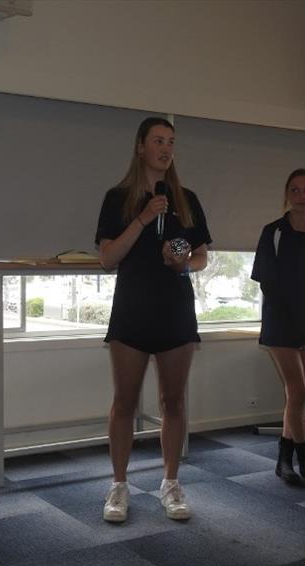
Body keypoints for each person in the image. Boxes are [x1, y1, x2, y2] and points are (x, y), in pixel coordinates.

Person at [95, 117, 211, 522]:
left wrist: (183, 263)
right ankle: (119, 485)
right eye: (158, 141)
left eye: (171, 142)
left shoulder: (187, 199)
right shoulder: (118, 198)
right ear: (141, 147)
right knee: (124, 402)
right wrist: (143, 218)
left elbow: (199, 256)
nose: (165, 148)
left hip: (175, 309)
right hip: (132, 308)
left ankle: (171, 482)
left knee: (173, 402)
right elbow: (108, 258)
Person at [250, 168, 305, 485]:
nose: (301, 196)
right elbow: (267, 283)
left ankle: (284, 461)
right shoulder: (273, 232)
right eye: (295, 190)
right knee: (298, 391)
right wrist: (296, 326)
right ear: (287, 195)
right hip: (281, 326)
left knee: (295, 398)